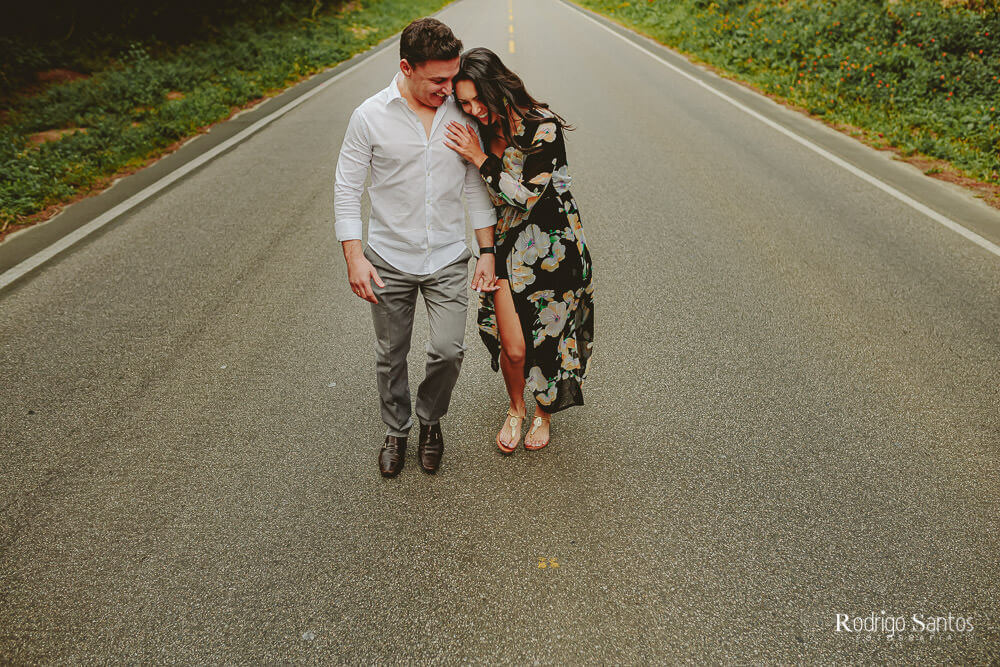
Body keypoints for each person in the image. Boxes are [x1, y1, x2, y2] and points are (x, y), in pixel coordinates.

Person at [334, 19, 499, 478]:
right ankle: (397, 430)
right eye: (439, 80)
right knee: (391, 353)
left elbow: (473, 188)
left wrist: (486, 251)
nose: (450, 89)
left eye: (453, 76)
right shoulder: (369, 117)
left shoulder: (460, 114)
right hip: (388, 257)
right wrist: (354, 256)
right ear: (406, 67)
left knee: (448, 350)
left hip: (447, 254)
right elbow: (347, 189)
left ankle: (430, 421)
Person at [444, 47, 594, 454]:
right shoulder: (479, 129)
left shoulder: (543, 127)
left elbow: (527, 197)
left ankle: (543, 413)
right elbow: (481, 198)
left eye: (478, 99)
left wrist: (479, 159)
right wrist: (486, 249)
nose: (473, 110)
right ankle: (516, 408)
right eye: (464, 103)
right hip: (508, 246)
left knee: (545, 341)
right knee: (513, 346)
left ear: (498, 88)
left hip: (554, 249)